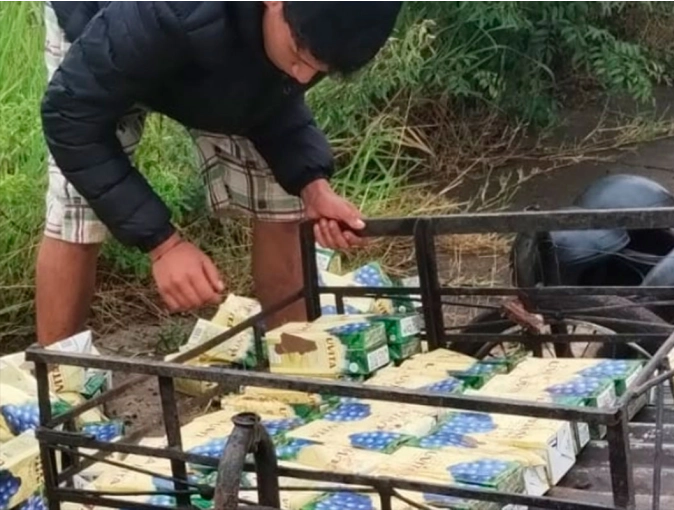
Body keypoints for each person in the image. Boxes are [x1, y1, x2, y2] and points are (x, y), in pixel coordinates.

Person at [37, 0, 403, 345]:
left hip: (203, 35)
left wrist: (313, 187)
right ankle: (54, 387)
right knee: (79, 211)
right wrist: (164, 245)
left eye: (319, 70)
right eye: (298, 55)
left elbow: (269, 102)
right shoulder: (166, 13)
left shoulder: (311, 27)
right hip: (107, 31)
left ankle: (299, 366)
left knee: (283, 203)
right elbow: (70, 117)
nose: (303, 75)